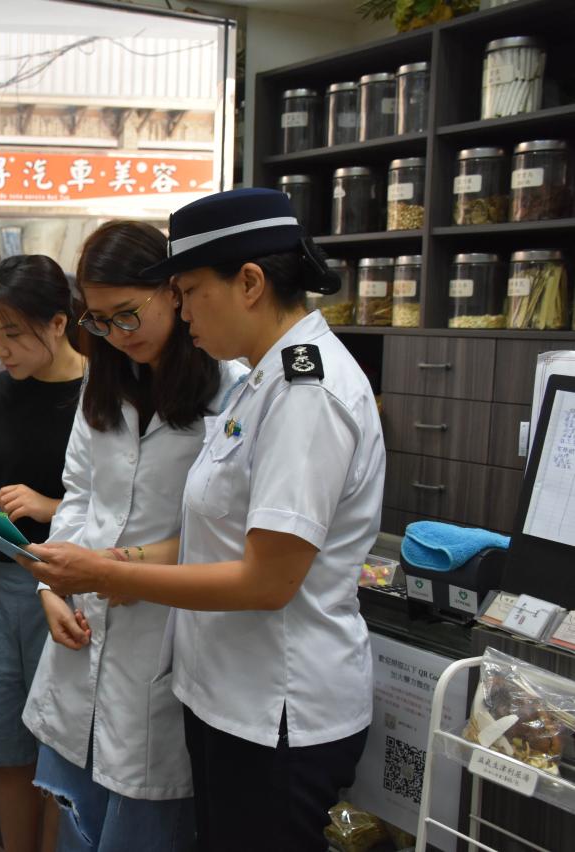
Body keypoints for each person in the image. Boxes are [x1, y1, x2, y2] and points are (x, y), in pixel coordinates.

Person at [24, 188, 384, 851]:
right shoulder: (264, 383)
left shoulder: (304, 393)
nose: (184, 308)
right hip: (226, 691)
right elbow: (189, 525)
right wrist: (86, 571)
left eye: (189, 291)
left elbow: (265, 581)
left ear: (249, 283)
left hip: (276, 702)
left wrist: (109, 572)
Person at [21, 221, 245, 852]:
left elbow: (227, 528)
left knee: (144, 821)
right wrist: (52, 590)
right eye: (98, 321)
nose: (117, 334)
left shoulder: (229, 389)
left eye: (127, 313)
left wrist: (124, 569)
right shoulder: (105, 378)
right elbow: (80, 494)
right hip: (84, 619)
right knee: (77, 816)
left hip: (167, 630)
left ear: (173, 291)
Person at [0, 255, 83, 852]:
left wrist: (49, 505)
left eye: (12, 333)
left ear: (58, 322)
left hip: (67, 586)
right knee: (6, 750)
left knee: (59, 757)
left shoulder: (100, 396)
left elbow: (122, 504)